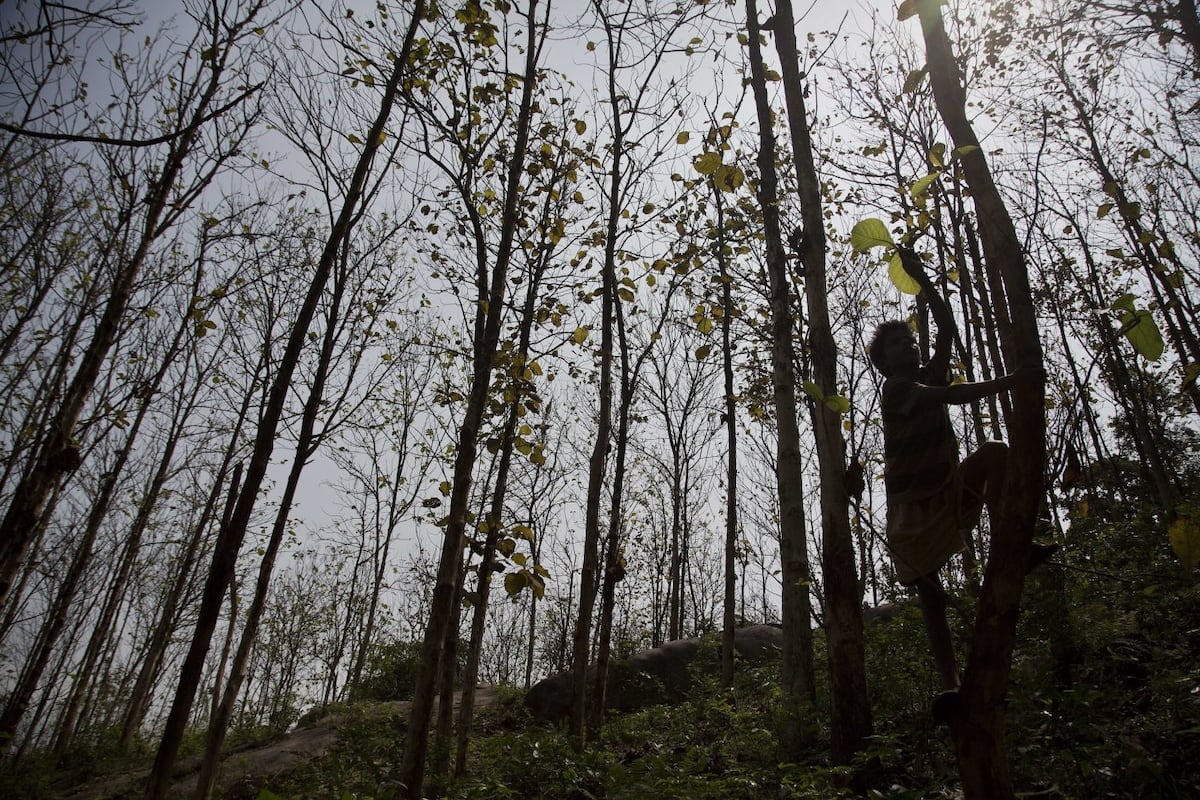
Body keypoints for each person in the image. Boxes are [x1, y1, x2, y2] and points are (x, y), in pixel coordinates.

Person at [868, 247, 1052, 720]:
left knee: (994, 454)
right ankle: (950, 684)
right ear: (883, 363)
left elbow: (946, 332)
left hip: (948, 493)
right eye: (896, 346)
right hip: (912, 509)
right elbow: (952, 395)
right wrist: (1012, 382)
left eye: (910, 342)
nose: (908, 347)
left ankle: (1014, 545)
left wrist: (924, 281)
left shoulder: (925, 372)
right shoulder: (898, 390)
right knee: (930, 598)